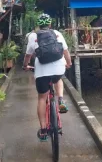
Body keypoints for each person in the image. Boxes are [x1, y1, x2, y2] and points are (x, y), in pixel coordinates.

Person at [23, 13, 72, 142]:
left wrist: (25, 65)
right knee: (58, 79)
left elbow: (28, 55)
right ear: (50, 24)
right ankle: (61, 99)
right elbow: (65, 51)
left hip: (42, 72)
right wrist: (69, 62)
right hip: (58, 69)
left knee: (41, 98)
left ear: (38, 25)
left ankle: (44, 130)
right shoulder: (57, 34)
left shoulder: (33, 36)